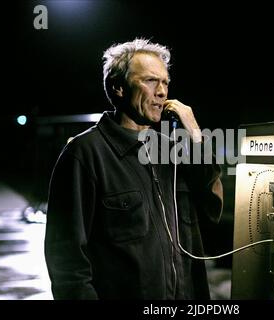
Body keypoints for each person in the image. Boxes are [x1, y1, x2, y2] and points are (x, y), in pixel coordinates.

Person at [44, 38, 223, 299]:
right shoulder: (84, 154)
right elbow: (67, 262)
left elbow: (212, 209)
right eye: (151, 81)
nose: (162, 92)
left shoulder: (171, 152)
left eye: (165, 83)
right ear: (118, 87)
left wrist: (195, 134)